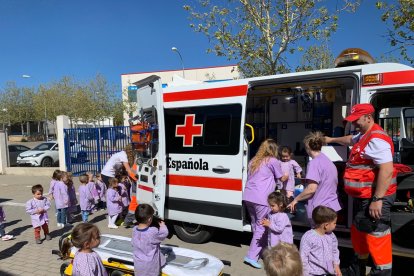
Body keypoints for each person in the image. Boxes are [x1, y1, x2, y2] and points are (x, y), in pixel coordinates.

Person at [325, 103, 396, 276]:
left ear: (368, 118)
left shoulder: (376, 139)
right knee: (360, 232)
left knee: (376, 236)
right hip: (365, 197)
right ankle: (356, 270)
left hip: (375, 198)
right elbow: (350, 139)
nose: (354, 124)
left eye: (357, 120)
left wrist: (377, 200)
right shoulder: (364, 135)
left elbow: (386, 170)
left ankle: (381, 272)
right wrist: (331, 140)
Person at [243, 139, 287, 269]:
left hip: (248, 196)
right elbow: (281, 178)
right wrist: (287, 175)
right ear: (273, 150)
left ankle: (259, 250)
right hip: (261, 198)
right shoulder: (272, 161)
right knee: (262, 227)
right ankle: (251, 256)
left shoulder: (253, 160)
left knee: (255, 225)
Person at [288, 132, 341, 225]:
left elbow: (311, 189)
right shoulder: (328, 162)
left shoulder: (314, 163)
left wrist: (296, 200)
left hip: (320, 210)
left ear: (307, 146)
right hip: (331, 207)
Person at [300, 206, 341, 276]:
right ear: (326, 225)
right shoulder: (309, 237)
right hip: (313, 273)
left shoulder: (331, 236)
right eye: (334, 223)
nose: (335, 225)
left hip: (329, 273)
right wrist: (305, 274)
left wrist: (336, 265)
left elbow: (335, 251)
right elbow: (303, 257)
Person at [132, 204, 169, 276]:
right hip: (150, 266)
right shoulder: (152, 231)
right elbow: (164, 234)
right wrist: (162, 226)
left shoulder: (134, 229)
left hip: (138, 264)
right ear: (149, 219)